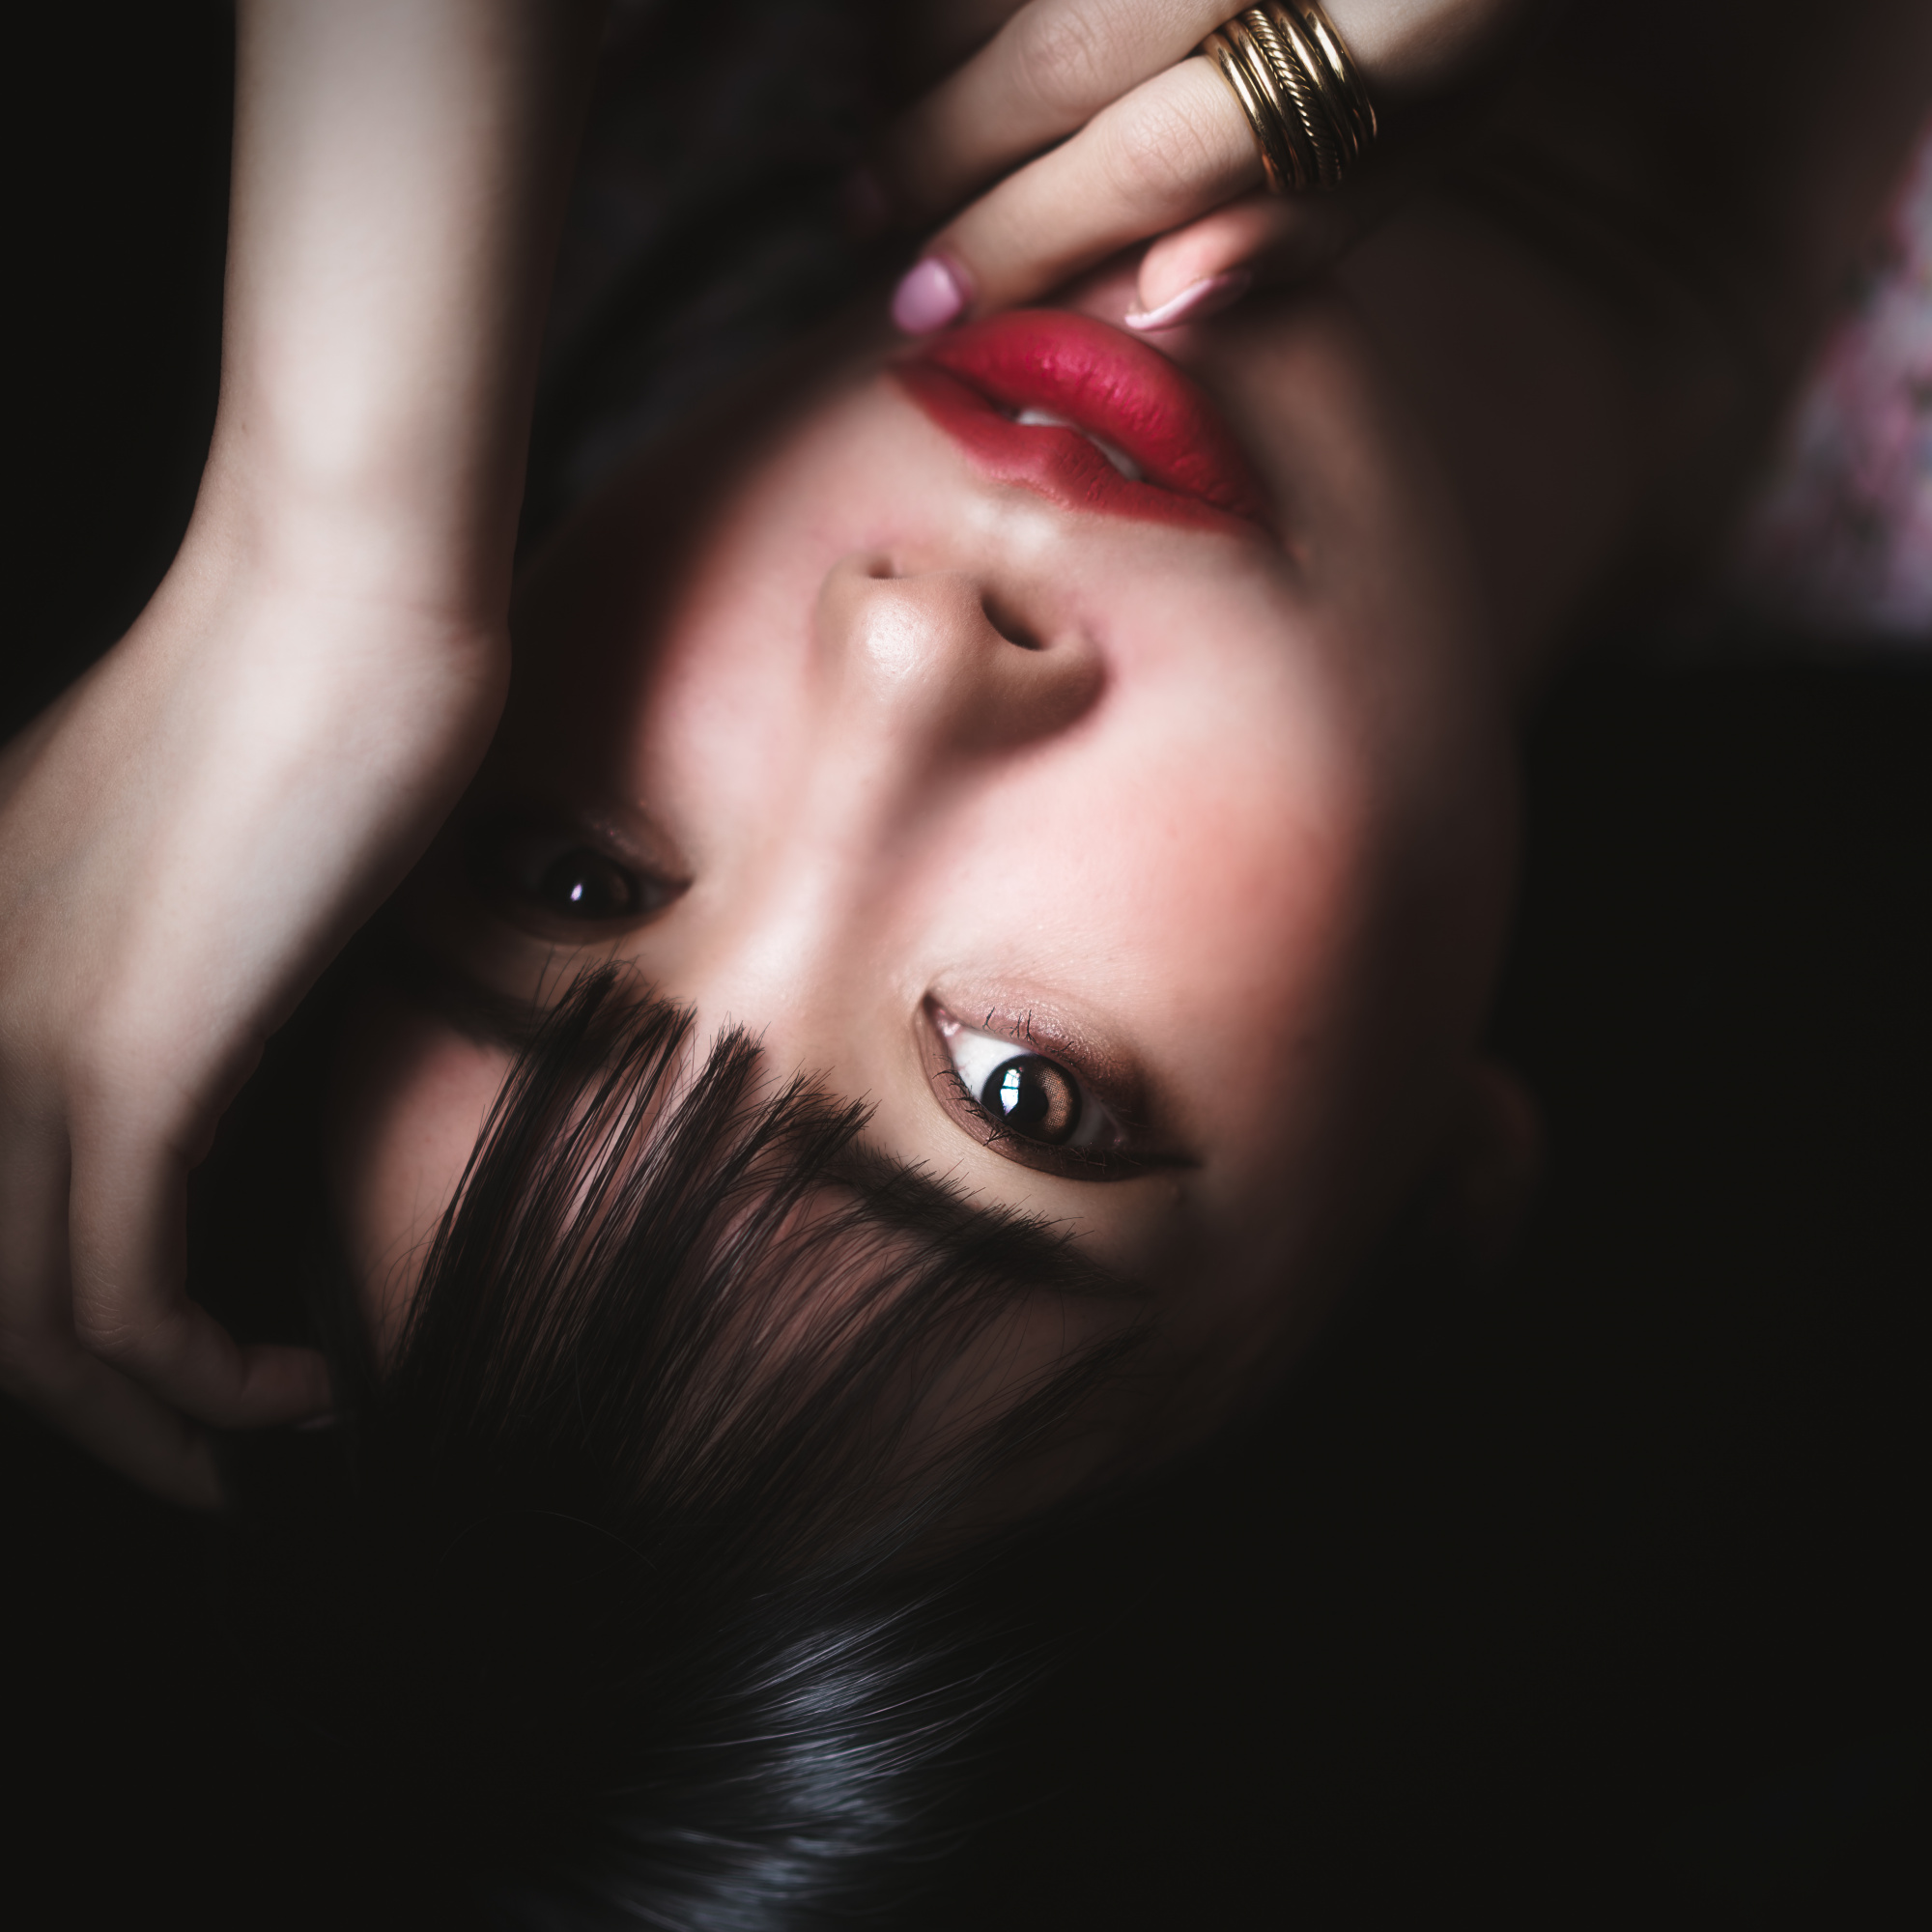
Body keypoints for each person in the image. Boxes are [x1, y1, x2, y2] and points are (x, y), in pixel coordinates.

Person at [2, 1, 1927, 1922]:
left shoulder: (513, 185)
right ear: (1424, 1202)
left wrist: (322, 550)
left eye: (569, 880)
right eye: (1027, 1094)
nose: (909, 660)